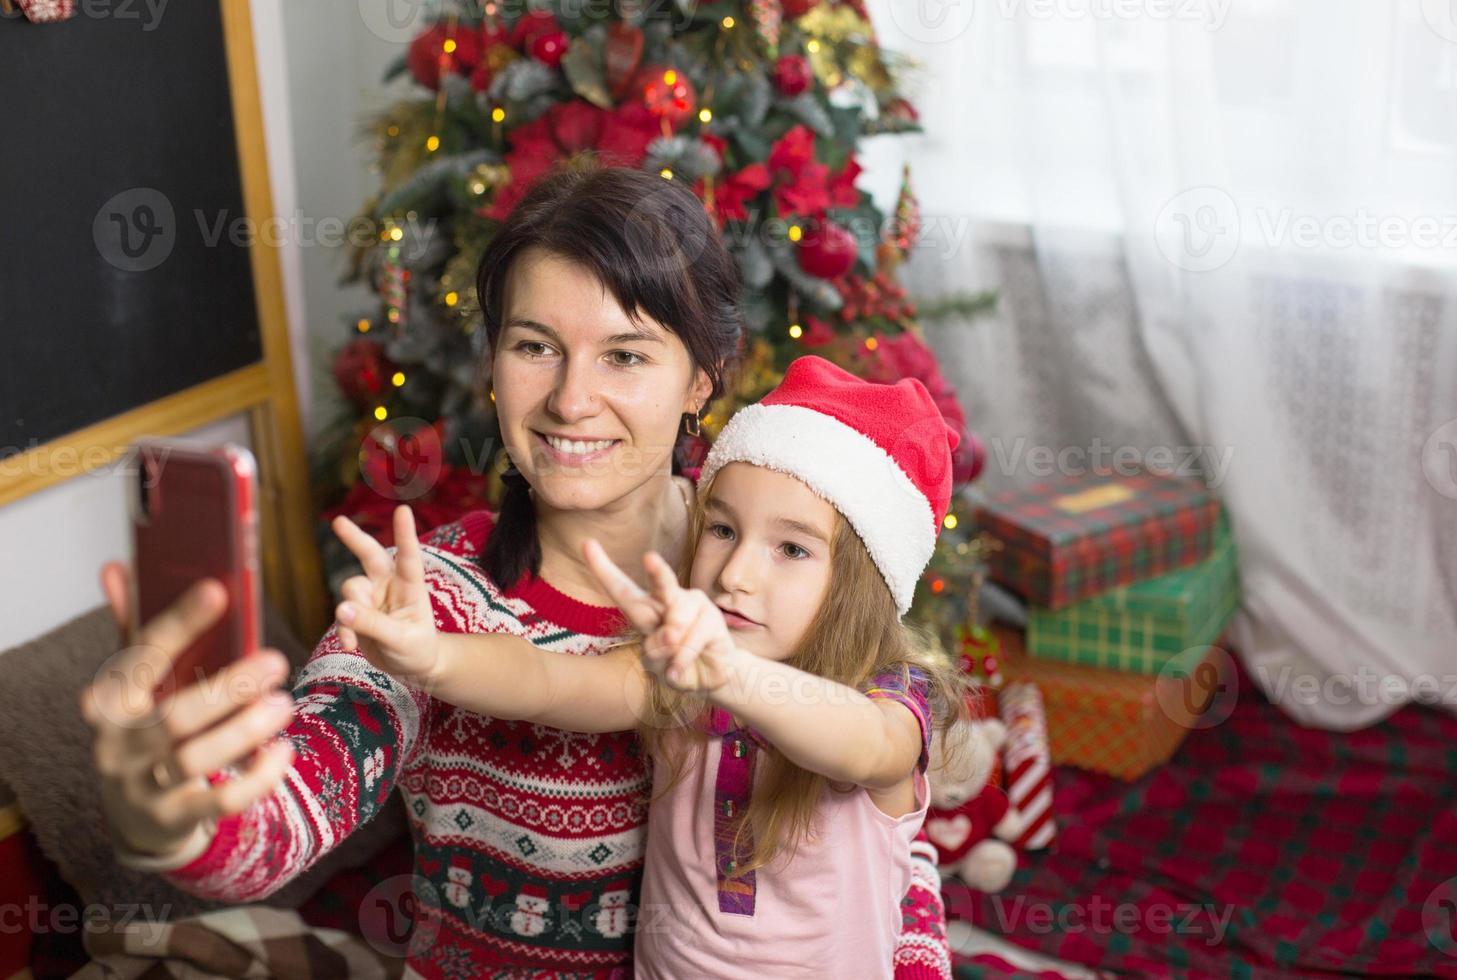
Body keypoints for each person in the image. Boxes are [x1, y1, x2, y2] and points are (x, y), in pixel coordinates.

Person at [80, 162, 955, 977]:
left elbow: (881, 837)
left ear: (703, 379)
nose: (572, 401)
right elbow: (291, 806)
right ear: (493, 364)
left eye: (625, 354)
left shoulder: (771, 558)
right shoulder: (428, 596)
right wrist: (173, 813)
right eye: (535, 346)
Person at [331, 355, 970, 977]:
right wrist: (435, 655)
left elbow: (863, 748)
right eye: (722, 531)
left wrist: (731, 677)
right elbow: (549, 679)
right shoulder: (681, 670)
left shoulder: (890, 701)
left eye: (792, 548)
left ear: (862, 584)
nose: (736, 573)